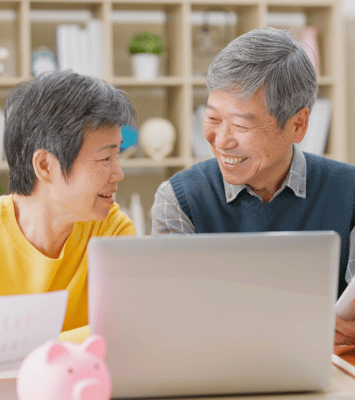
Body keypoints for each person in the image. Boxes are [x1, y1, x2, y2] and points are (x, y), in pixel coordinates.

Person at [151, 27, 355, 349]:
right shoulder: (179, 199)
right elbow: (172, 320)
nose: (222, 140)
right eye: (213, 119)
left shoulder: (350, 192)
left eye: (242, 126)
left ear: (298, 125)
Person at [0, 71, 137, 343]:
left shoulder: (112, 231)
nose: (118, 173)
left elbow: (127, 330)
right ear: (44, 166)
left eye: (117, 155)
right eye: (105, 158)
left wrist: (11, 348)